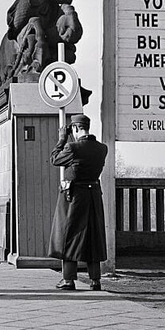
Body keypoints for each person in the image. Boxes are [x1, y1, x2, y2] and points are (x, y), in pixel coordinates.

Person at [48, 114, 108, 291]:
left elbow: (55, 159)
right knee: (93, 237)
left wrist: (61, 139)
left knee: (69, 235)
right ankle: (95, 280)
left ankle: (68, 280)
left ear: (74, 128)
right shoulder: (102, 148)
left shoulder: (72, 147)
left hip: (74, 197)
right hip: (94, 195)